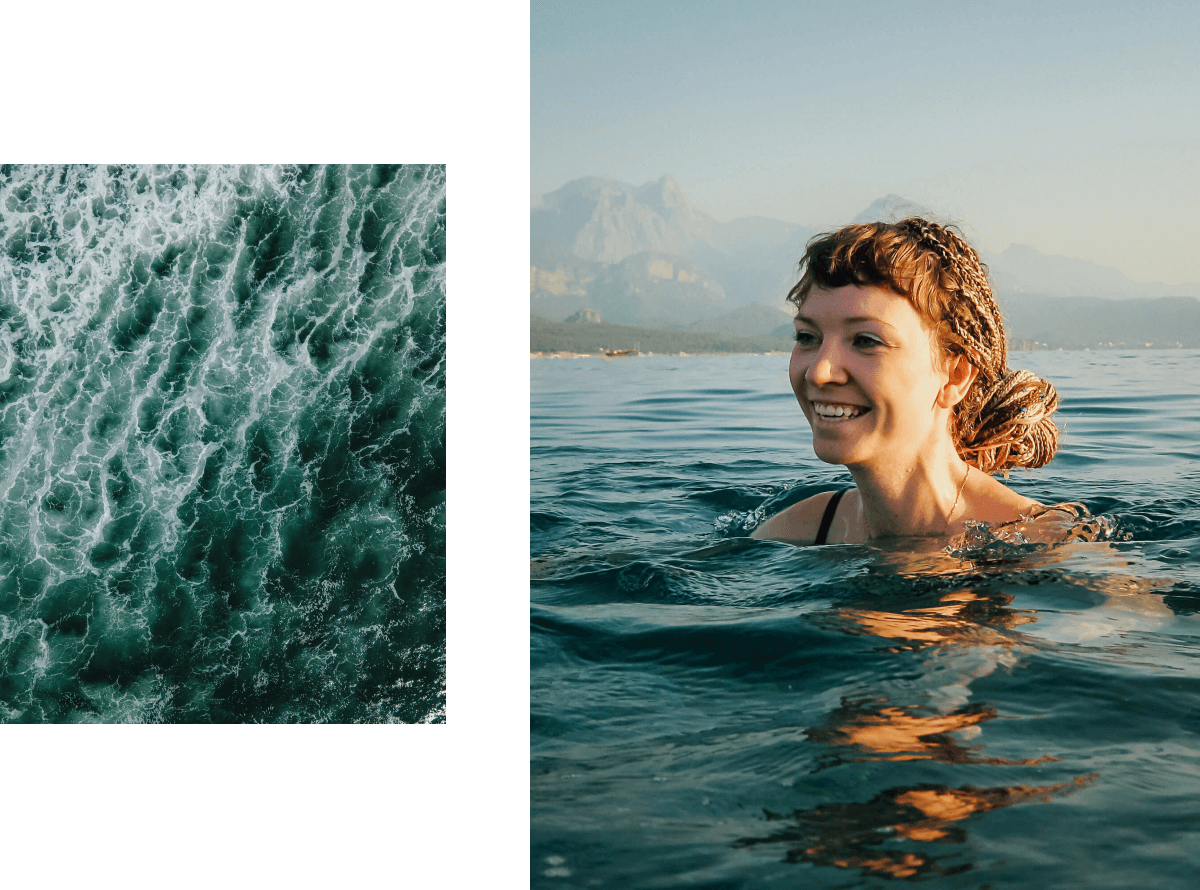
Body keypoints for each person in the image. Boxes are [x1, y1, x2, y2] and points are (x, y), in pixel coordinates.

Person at [751, 217, 1060, 546]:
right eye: (807, 337)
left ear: (955, 377)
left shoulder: (1043, 545)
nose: (818, 372)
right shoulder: (796, 531)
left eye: (866, 341)